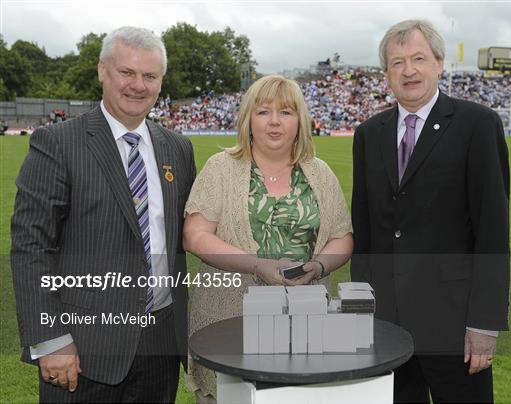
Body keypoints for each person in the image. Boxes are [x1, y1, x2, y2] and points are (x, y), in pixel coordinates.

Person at [11, 26, 195, 402]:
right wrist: (51, 339)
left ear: (161, 82)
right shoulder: (59, 143)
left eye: (150, 76)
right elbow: (31, 247)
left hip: (159, 342)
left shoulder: (178, 148)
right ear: (102, 71)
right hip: (82, 347)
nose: (138, 85)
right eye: (127, 72)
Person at [351, 19, 509, 403]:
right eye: (397, 62)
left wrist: (484, 324)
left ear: (439, 63)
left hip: (454, 326)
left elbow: (493, 232)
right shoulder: (369, 134)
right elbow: (366, 233)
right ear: (385, 74)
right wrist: (359, 314)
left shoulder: (478, 125)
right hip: (386, 324)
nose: (409, 70)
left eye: (419, 58)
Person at [183, 74, 353, 402]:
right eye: (263, 112)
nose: (274, 122)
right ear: (248, 119)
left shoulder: (321, 173)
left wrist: (317, 267)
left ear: (300, 122)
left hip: (306, 326)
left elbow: (342, 237)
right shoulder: (221, 168)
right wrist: (257, 265)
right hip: (229, 323)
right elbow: (195, 236)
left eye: (286, 112)